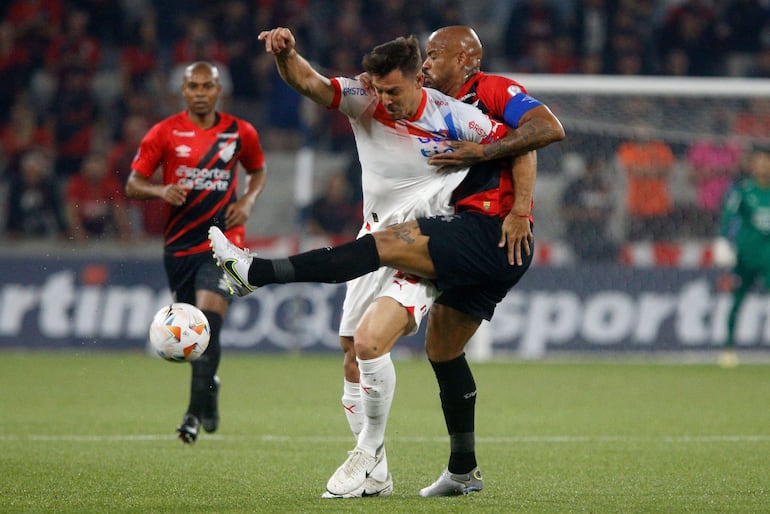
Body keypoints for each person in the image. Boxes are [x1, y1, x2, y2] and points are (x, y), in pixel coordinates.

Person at [212, 26, 563, 497]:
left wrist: (520, 209)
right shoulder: (371, 97)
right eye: (426, 55)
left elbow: (534, 137)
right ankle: (453, 472)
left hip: (451, 234)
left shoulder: (474, 105)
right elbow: (313, 84)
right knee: (398, 352)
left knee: (372, 332)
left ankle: (257, 274)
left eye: (435, 57)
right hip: (403, 230)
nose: (427, 65)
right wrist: (286, 55)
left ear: (461, 62)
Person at [125, 61, 267, 444]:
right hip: (178, 246)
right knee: (192, 333)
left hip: (222, 242)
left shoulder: (240, 132)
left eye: (208, 86)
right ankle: (209, 390)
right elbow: (133, 184)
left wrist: (249, 201)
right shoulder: (164, 133)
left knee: (209, 318)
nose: (201, 92)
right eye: (194, 86)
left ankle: (190, 416)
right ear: (183, 91)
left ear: (219, 90)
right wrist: (159, 191)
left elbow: (257, 171)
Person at [712, 146, 770, 369]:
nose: (764, 166)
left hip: (769, 256)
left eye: (767, 161)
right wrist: (723, 242)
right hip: (746, 256)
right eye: (760, 161)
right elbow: (728, 217)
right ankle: (728, 348)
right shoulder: (743, 191)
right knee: (737, 301)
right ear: (753, 165)